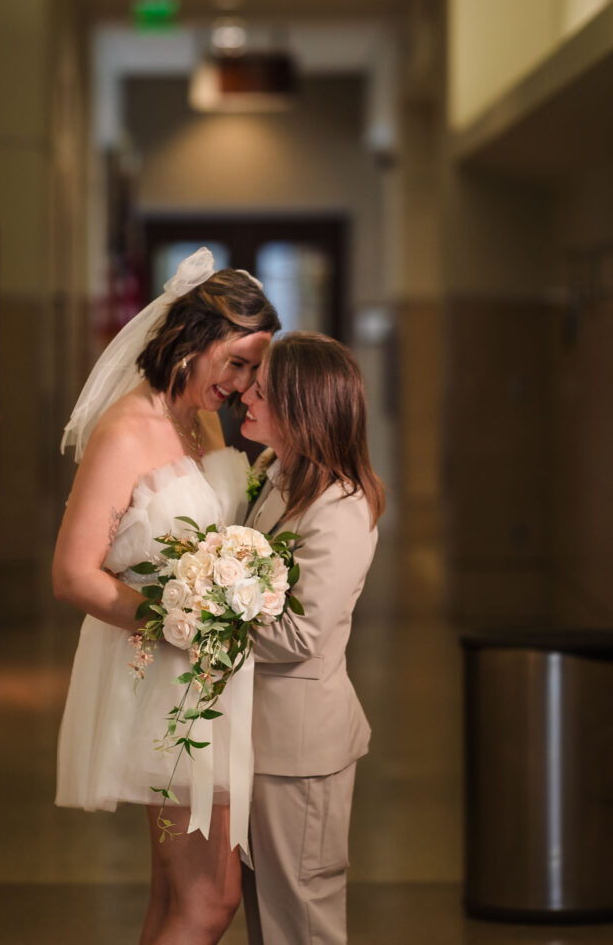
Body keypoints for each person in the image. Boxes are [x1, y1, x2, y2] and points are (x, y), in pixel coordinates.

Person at [52, 247, 280, 945]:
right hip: (167, 686)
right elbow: (72, 573)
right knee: (211, 899)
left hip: (211, 683)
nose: (244, 384)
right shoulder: (127, 432)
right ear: (195, 340)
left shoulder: (201, 420)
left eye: (254, 369)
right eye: (237, 363)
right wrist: (176, 618)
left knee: (177, 896)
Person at [239, 331, 384, 945]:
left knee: (301, 919)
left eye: (263, 390)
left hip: (300, 751)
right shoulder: (274, 471)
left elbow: (300, 633)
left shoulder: (341, 506)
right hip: (259, 737)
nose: (244, 394)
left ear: (301, 410)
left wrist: (195, 620)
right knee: (264, 914)